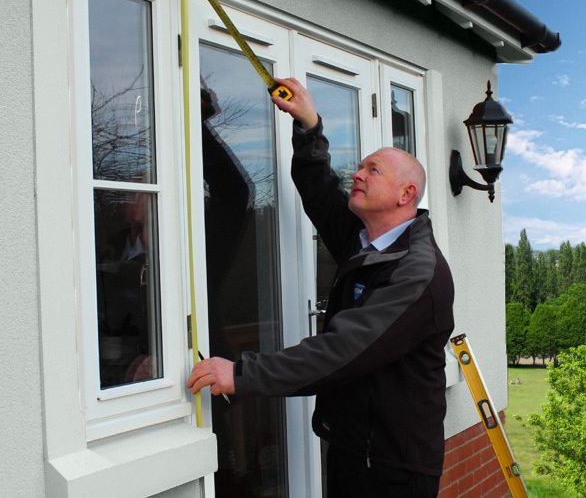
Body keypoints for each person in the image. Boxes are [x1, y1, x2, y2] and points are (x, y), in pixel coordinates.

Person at [188, 77, 455, 498]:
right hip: (352, 445)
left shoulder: (416, 273)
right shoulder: (364, 240)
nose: (358, 174)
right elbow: (320, 188)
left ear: (406, 194)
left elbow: (342, 350)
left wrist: (241, 373)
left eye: (373, 170)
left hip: (393, 467)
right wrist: (309, 125)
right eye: (361, 166)